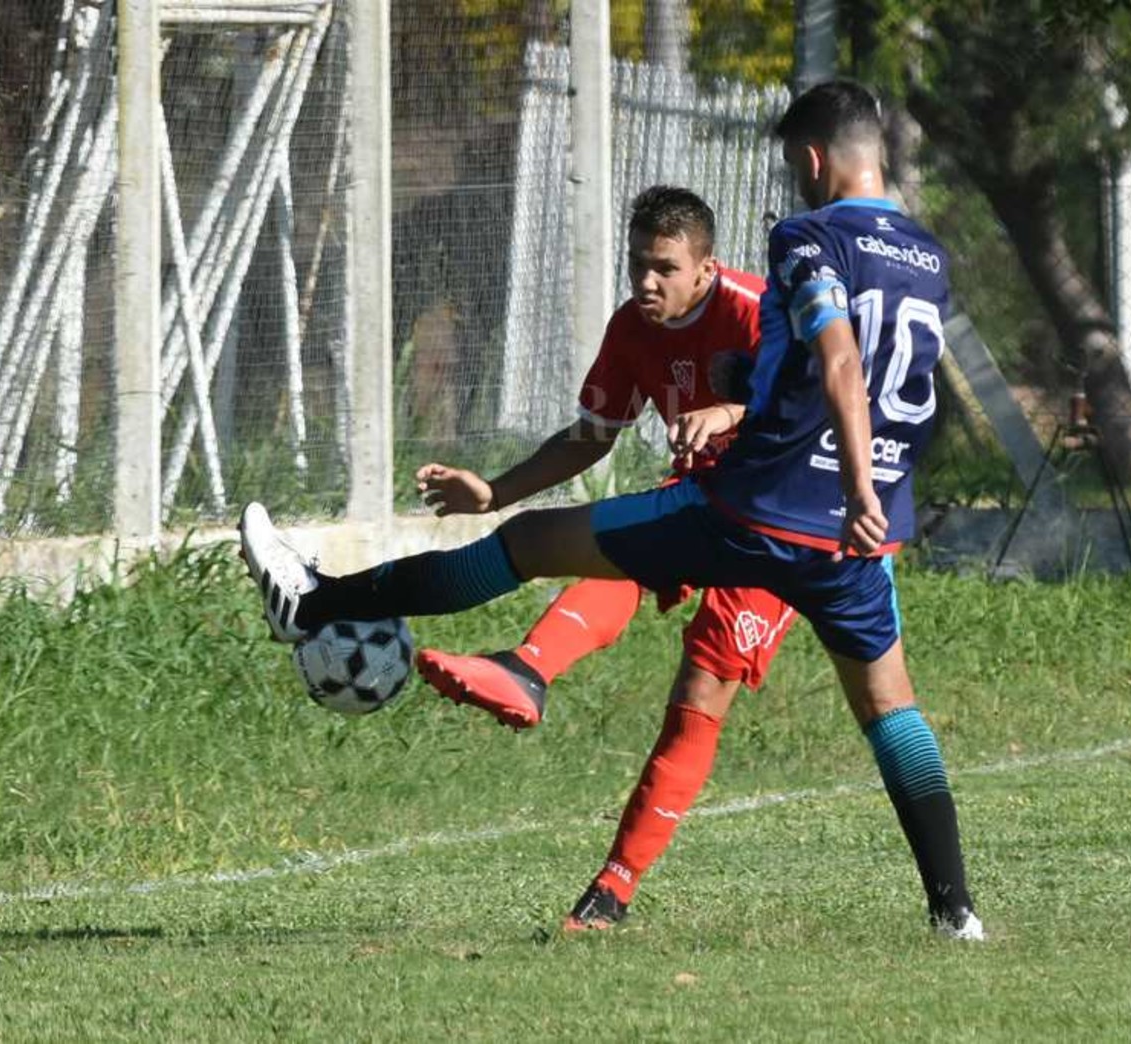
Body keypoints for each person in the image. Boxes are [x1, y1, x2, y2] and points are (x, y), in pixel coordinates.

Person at [240, 80, 983, 940]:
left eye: (794, 169)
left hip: (757, 513)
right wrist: (865, 488)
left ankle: (318, 600)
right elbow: (895, 385)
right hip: (857, 541)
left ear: (812, 160)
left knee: (529, 543)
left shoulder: (807, 237)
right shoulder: (927, 255)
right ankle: (953, 911)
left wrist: (828, 466)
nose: (795, 185)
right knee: (889, 708)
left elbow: (841, 362)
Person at [411, 184, 794, 733]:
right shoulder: (632, 327)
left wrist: (731, 412)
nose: (645, 282)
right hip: (708, 490)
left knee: (704, 691)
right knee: (625, 551)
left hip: (786, 507)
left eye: (665, 267)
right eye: (638, 264)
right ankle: (526, 670)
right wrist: (494, 493)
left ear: (706, 269)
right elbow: (590, 437)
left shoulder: (759, 313)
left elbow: (824, 398)